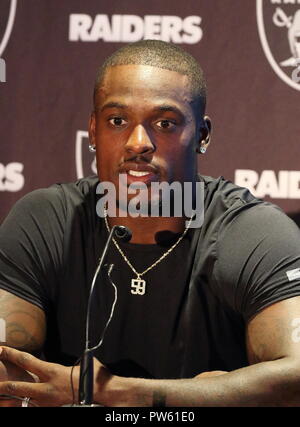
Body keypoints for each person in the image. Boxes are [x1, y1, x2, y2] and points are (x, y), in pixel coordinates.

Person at [0, 40, 300, 407]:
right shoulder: (47, 221)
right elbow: (7, 368)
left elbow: (295, 378)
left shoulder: (252, 233)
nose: (138, 143)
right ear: (93, 131)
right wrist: (214, 393)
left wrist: (113, 392)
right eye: (117, 121)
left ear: (202, 135)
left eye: (164, 123)